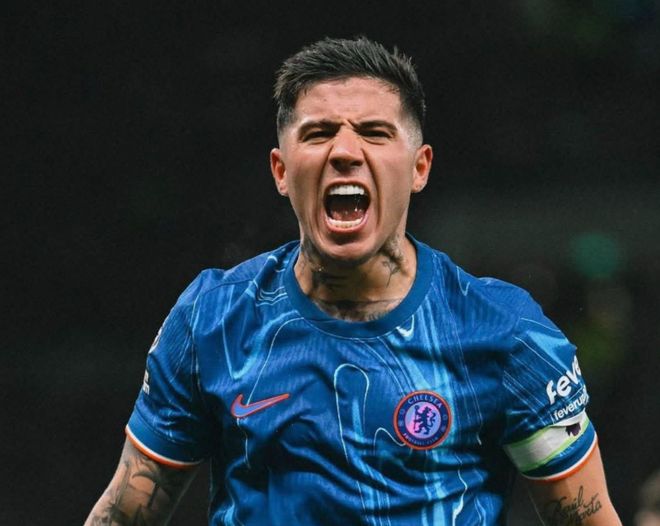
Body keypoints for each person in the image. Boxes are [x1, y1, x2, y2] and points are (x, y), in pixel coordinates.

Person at [85, 37, 621, 525]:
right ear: (280, 170)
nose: (344, 152)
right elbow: (126, 511)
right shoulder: (213, 318)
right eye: (318, 134)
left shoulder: (504, 331)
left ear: (419, 168)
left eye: (374, 133)